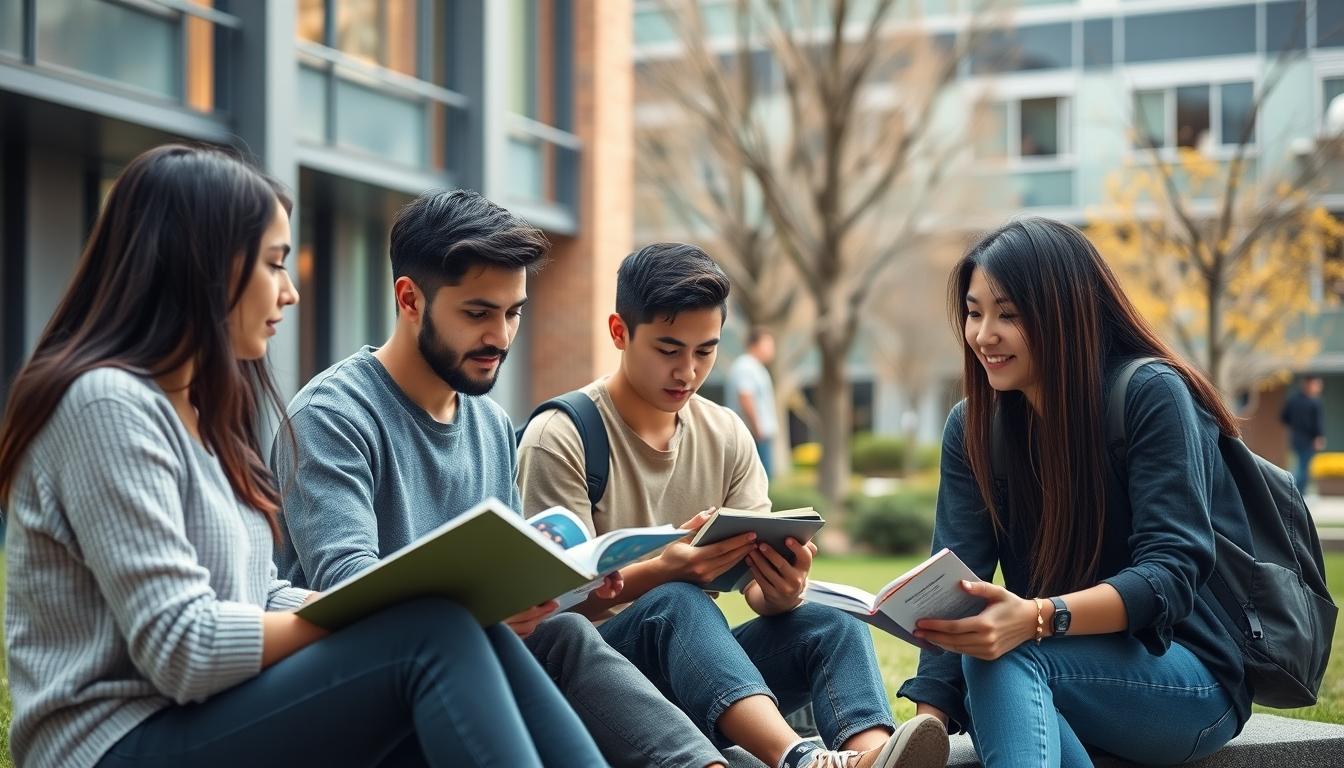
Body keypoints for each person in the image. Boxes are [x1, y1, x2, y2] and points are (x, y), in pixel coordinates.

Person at [0, 145, 605, 768]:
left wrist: (405, 608)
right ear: (202, 269)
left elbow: (262, 594)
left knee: (465, 631)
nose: (289, 293)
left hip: (211, 716)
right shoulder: (107, 407)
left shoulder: (204, 415)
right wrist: (398, 610)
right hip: (117, 743)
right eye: (273, 265)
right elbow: (183, 648)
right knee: (436, 631)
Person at [271, 190, 726, 768]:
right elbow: (346, 583)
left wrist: (572, 584)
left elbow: (509, 576)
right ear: (410, 299)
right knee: (555, 643)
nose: (502, 337)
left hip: (477, 664)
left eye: (514, 313)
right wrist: (481, 612)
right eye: (478, 313)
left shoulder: (487, 421)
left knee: (560, 633)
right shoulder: (331, 418)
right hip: (366, 691)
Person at [517, 243, 949, 768]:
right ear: (619, 332)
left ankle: (870, 758)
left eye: (705, 351)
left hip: (699, 673)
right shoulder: (560, 437)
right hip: (599, 684)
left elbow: (756, 596)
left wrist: (780, 591)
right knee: (678, 600)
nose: (687, 371)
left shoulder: (725, 434)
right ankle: (799, 759)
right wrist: (660, 572)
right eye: (668, 349)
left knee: (831, 624)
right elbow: (549, 619)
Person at [898, 218, 1250, 765]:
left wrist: (1042, 616)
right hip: (1055, 667)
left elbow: (1170, 575)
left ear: (1064, 314)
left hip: (1187, 681)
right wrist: (927, 728)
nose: (984, 334)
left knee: (1008, 653)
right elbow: (956, 588)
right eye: (973, 312)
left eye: (1008, 314)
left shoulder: (1150, 395)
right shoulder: (974, 428)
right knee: (996, 652)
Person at [726, 327, 779, 479]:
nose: (772, 349)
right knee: (759, 484)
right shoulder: (746, 366)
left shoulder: (755, 366)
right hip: (754, 435)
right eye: (768, 344)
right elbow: (745, 397)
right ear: (756, 344)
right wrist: (757, 429)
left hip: (758, 434)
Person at [1280, 375, 1326, 493]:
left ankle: (1295, 492)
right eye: (1317, 384)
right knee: (1302, 468)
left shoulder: (1293, 400)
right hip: (1309, 440)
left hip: (1295, 437)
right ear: (1308, 384)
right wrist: (1319, 437)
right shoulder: (1314, 402)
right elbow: (1318, 423)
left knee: (1299, 465)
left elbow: (1284, 418)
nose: (1319, 387)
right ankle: (1295, 492)